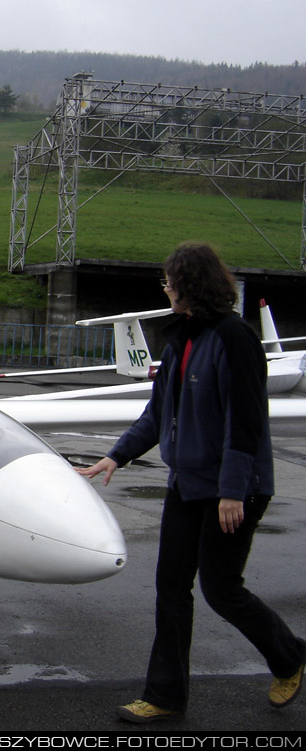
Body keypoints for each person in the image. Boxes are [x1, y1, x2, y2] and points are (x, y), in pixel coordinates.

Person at [77, 242, 305, 723]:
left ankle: (290, 657)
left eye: (169, 280)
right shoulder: (180, 338)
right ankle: (164, 695)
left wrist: (231, 490)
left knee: (222, 590)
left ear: (190, 284)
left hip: (234, 489)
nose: (165, 287)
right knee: (171, 587)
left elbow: (245, 421)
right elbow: (158, 414)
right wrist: (115, 456)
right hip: (187, 485)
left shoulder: (234, 339)